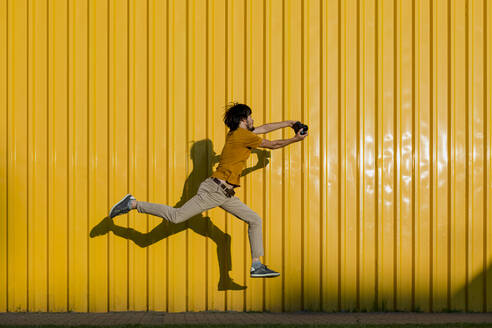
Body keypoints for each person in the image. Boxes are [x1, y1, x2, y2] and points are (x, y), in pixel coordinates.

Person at [108, 103, 308, 278]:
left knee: (254, 220)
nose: (253, 119)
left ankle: (256, 266)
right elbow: (272, 144)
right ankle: (133, 204)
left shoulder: (239, 134)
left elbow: (264, 128)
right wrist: (295, 140)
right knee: (176, 216)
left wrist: (289, 123)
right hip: (214, 191)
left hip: (225, 193)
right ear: (243, 120)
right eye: (250, 116)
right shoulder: (241, 136)